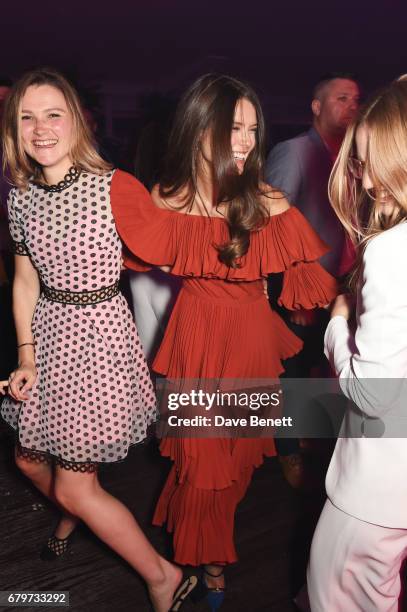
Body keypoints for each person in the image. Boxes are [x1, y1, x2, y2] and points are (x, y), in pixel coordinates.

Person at [110, 74, 337, 610]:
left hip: (253, 344)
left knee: (233, 466)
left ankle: (208, 549)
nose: (245, 141)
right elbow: (134, 250)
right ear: (199, 129)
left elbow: (309, 284)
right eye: (232, 127)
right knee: (200, 461)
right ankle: (209, 565)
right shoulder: (165, 199)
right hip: (195, 341)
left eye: (252, 129)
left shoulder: (267, 201)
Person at [0, 68, 198, 612]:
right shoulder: (20, 196)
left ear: (76, 122)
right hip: (46, 338)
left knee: (76, 485)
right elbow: (24, 280)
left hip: (98, 340)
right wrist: (26, 355)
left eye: (52, 114)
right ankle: (74, 510)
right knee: (27, 461)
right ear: (13, 129)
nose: (40, 128)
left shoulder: (114, 185)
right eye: (26, 117)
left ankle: (163, 575)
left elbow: (171, 242)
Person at [307, 75, 407, 611]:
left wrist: (336, 324)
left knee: (339, 595)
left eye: (369, 159)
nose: (363, 177)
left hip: (381, 484)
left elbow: (372, 395)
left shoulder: (394, 250)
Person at [264, 74, 360, 486]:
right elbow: (272, 225)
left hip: (339, 288)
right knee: (290, 373)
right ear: (316, 107)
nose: (352, 107)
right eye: (341, 99)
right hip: (300, 289)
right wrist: (295, 292)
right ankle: (286, 450)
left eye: (356, 100)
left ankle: (303, 437)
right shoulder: (293, 152)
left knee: (326, 368)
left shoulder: (352, 155)